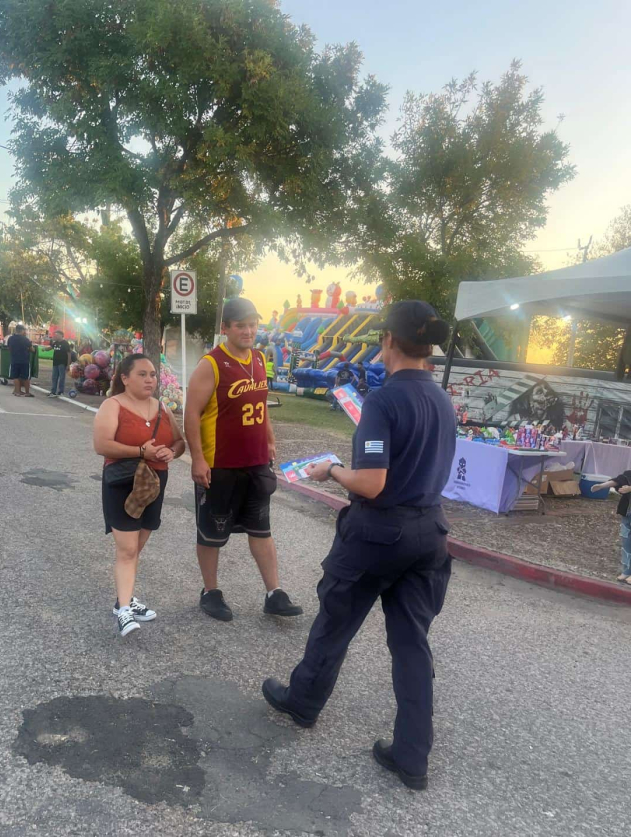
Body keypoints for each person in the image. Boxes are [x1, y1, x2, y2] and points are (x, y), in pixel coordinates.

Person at [262, 300, 455, 791]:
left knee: (335, 622)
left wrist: (331, 470)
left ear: (388, 340)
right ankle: (412, 755)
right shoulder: (441, 399)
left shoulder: (384, 401)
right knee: (411, 645)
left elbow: (370, 483)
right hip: (429, 533)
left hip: (378, 534)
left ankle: (303, 702)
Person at [184, 297, 302, 622]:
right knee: (212, 532)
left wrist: (270, 439)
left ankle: (274, 593)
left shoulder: (259, 359)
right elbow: (191, 414)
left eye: (253, 324)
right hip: (219, 464)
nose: (249, 331)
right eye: (241, 325)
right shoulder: (211, 364)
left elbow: (261, 406)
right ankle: (210, 591)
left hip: (255, 463)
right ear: (226, 328)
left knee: (261, 527)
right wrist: (197, 459)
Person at [93, 354, 186, 637]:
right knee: (127, 550)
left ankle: (124, 597)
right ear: (125, 378)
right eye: (142, 374)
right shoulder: (113, 405)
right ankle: (124, 610)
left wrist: (172, 451)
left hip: (154, 484)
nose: (150, 380)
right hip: (123, 483)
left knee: (136, 547)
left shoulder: (161, 407)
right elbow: (101, 445)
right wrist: (141, 452)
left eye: (153, 375)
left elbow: (179, 442)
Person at [590, 473, 631, 584]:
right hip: (627, 512)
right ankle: (627, 571)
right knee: (626, 543)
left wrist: (630, 489)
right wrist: (602, 486)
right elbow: (619, 480)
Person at [7, 324, 34, 397]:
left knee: (15, 376)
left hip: (14, 360)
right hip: (24, 361)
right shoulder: (25, 339)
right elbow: (32, 349)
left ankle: (17, 391)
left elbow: (9, 348)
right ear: (22, 331)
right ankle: (27, 392)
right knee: (25, 377)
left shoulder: (10, 338)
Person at [48, 330, 71, 397]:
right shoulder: (55, 343)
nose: (56, 336)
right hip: (55, 362)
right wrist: (44, 349)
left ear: (61, 335)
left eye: (57, 335)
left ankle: (61, 391)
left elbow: (69, 353)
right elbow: (50, 347)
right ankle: (53, 391)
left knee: (61, 377)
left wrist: (68, 364)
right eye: (55, 335)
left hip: (62, 363)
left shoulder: (65, 343)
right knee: (54, 377)